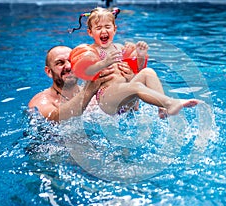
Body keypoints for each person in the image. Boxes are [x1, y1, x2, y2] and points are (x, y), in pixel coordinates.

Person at [70, 7, 200, 116]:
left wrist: (141, 56)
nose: (103, 31)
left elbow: (137, 70)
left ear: (114, 29)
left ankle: (162, 109)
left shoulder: (120, 49)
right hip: (107, 97)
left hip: (125, 93)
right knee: (136, 87)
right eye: (98, 28)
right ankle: (170, 103)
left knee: (148, 72)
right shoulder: (92, 52)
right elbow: (86, 71)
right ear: (90, 32)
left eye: (107, 27)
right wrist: (104, 63)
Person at [28, 45, 133, 122]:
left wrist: (130, 84)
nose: (68, 66)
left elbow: (127, 111)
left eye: (71, 61)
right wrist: (89, 91)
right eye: (60, 63)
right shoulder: (40, 102)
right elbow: (56, 118)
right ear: (49, 72)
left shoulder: (95, 92)